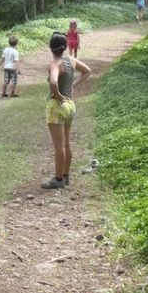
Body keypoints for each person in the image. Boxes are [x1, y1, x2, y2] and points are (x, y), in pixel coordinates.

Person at [42, 32, 92, 189]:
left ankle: (58, 180)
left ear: (50, 48)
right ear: (64, 47)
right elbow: (88, 71)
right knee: (66, 144)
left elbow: (53, 82)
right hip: (71, 105)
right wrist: (73, 85)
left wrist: (57, 95)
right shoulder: (71, 60)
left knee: (59, 145)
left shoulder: (55, 64)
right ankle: (65, 175)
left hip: (58, 107)